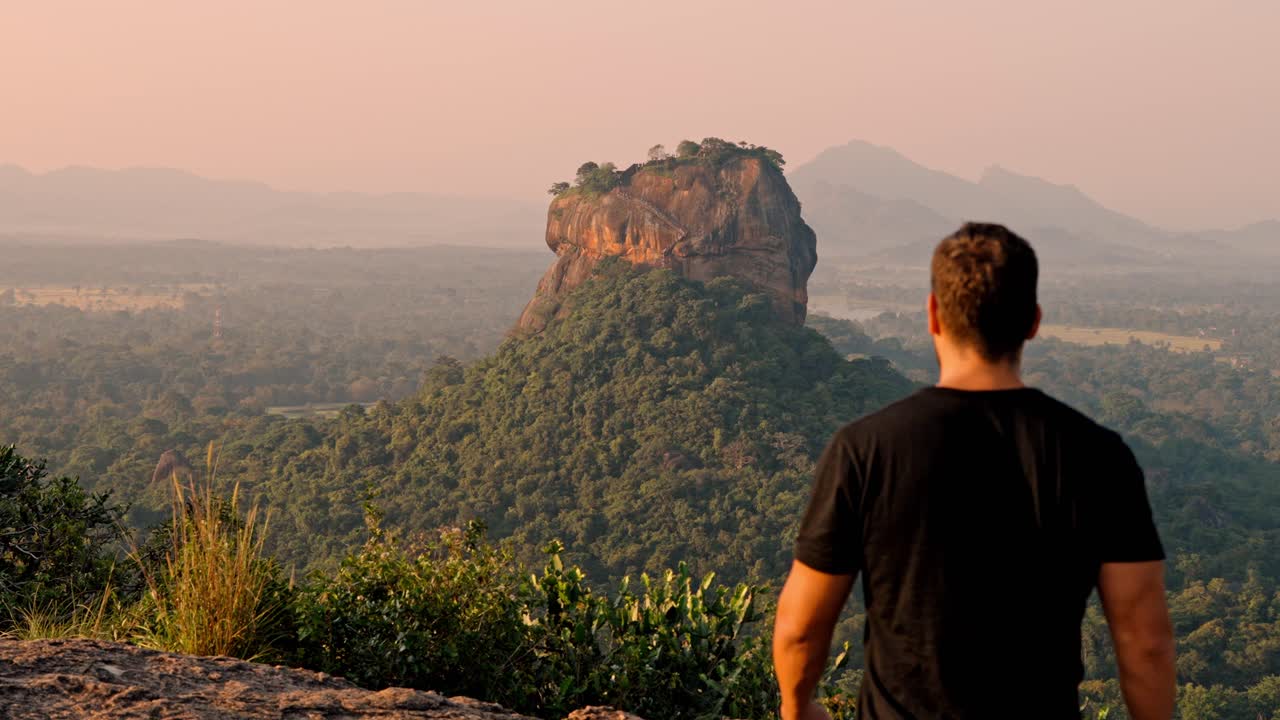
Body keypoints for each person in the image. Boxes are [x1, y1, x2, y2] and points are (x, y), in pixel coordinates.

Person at [773, 223, 1176, 719]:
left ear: (934, 316)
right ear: (1032, 321)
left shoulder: (866, 448)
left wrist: (797, 708)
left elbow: (801, 628)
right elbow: (1145, 641)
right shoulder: (1098, 454)